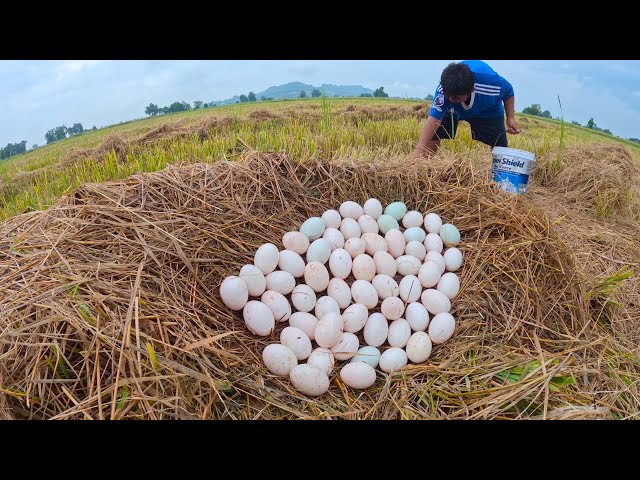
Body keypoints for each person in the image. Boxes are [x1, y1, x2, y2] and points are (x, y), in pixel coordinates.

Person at [412, 60, 520, 158]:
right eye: (448, 95)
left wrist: (510, 118)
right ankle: (425, 163)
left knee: (499, 144)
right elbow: (433, 120)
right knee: (435, 132)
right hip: (453, 109)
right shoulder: (444, 90)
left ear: (471, 90)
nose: (450, 99)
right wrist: (418, 151)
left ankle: (498, 176)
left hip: (487, 109)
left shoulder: (492, 84)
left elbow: (509, 92)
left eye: (455, 97)